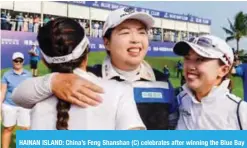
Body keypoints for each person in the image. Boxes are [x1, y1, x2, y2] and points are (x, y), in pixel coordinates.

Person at [12, 7, 177, 130]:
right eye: (125, 32)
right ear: (106, 42)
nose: (135, 40)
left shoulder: (163, 81)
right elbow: (19, 95)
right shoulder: (84, 77)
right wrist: (53, 81)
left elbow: (174, 128)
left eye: (142, 32)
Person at [173, 35, 247, 130]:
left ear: (223, 70)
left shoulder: (241, 113)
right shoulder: (177, 101)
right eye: (187, 58)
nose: (190, 66)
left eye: (200, 59)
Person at [1, 52, 32, 148]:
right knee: (8, 128)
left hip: (24, 106)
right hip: (9, 106)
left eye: (20, 60)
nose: (18, 62)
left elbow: (30, 91)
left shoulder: (29, 74)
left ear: (23, 61)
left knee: (25, 129)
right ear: (12, 61)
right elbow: (2, 91)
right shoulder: (6, 75)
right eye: (16, 60)